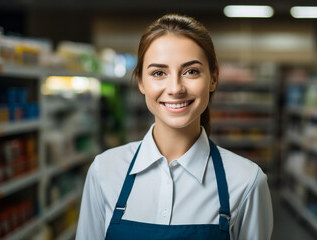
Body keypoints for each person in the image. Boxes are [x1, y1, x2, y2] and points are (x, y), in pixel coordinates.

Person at [76, 13, 273, 240]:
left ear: (213, 78)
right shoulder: (105, 171)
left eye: (191, 71)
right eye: (159, 73)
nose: (175, 88)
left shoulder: (246, 181)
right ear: (141, 81)